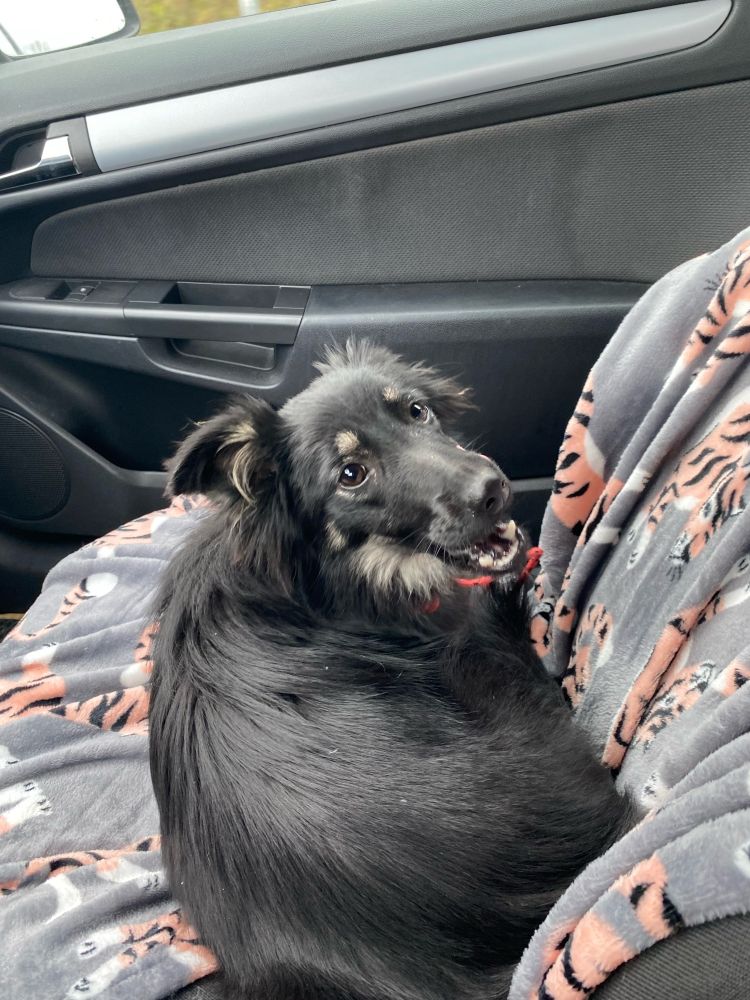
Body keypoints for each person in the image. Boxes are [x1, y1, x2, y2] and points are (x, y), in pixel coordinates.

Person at [1, 228, 750, 999]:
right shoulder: (324, 570)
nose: (471, 478)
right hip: (515, 852)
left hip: (407, 895)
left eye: (416, 416)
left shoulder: (273, 594)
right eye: (354, 472)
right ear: (291, 512)